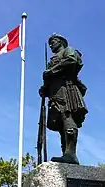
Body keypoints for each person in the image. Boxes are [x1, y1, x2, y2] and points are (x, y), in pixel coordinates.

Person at [39, 34, 88, 164]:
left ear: (60, 42)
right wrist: (44, 88)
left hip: (67, 89)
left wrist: (52, 70)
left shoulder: (68, 50)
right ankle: (66, 153)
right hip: (55, 93)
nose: (51, 45)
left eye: (53, 42)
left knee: (67, 117)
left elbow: (71, 61)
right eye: (49, 43)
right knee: (61, 124)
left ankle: (71, 153)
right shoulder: (52, 60)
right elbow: (50, 78)